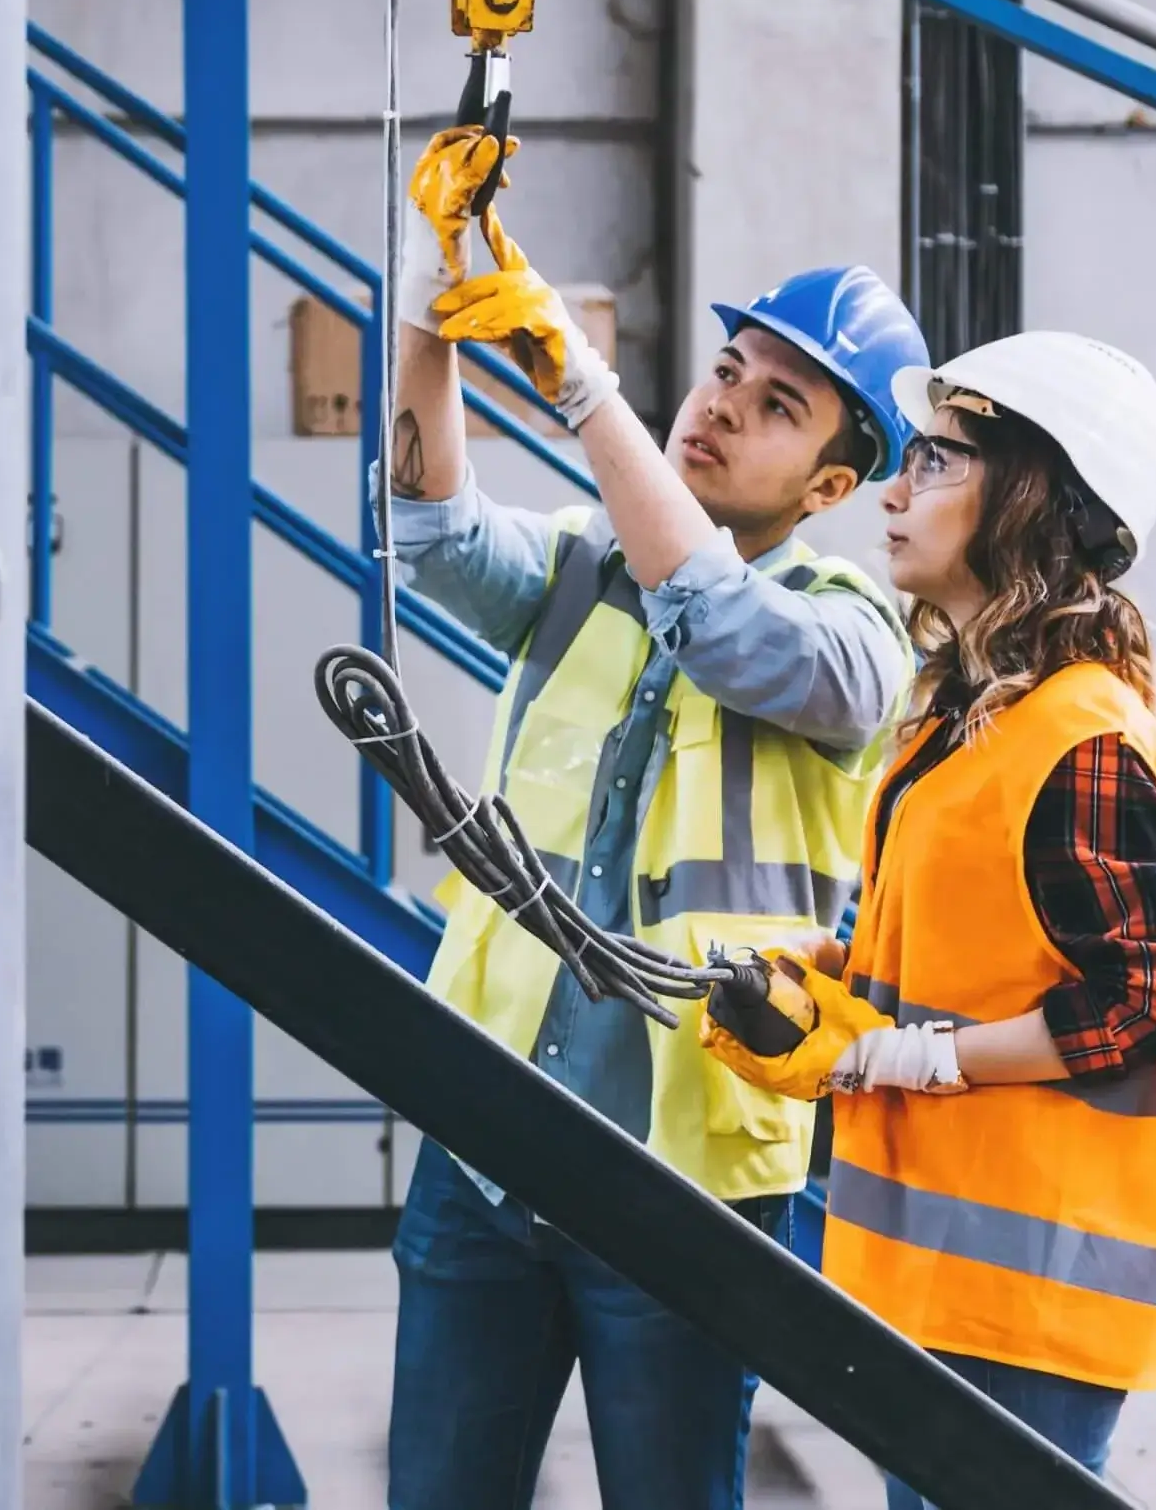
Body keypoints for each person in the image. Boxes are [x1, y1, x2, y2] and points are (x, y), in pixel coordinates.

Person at [376, 125, 927, 1509]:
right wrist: (430, 297)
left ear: (830, 487)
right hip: (488, 1138)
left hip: (688, 1179)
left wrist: (579, 383)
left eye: (779, 405)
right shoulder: (581, 558)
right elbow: (434, 527)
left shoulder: (854, 637)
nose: (725, 406)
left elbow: (723, 632)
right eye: (728, 371)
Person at [699, 331, 1156, 1498]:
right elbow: (968, 947)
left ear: (1031, 503)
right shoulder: (966, 720)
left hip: (1033, 1294)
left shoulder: (1080, 739)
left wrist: (904, 1057)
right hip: (949, 1284)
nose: (892, 491)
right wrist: (832, 970)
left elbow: (1143, 1004)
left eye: (935, 462)